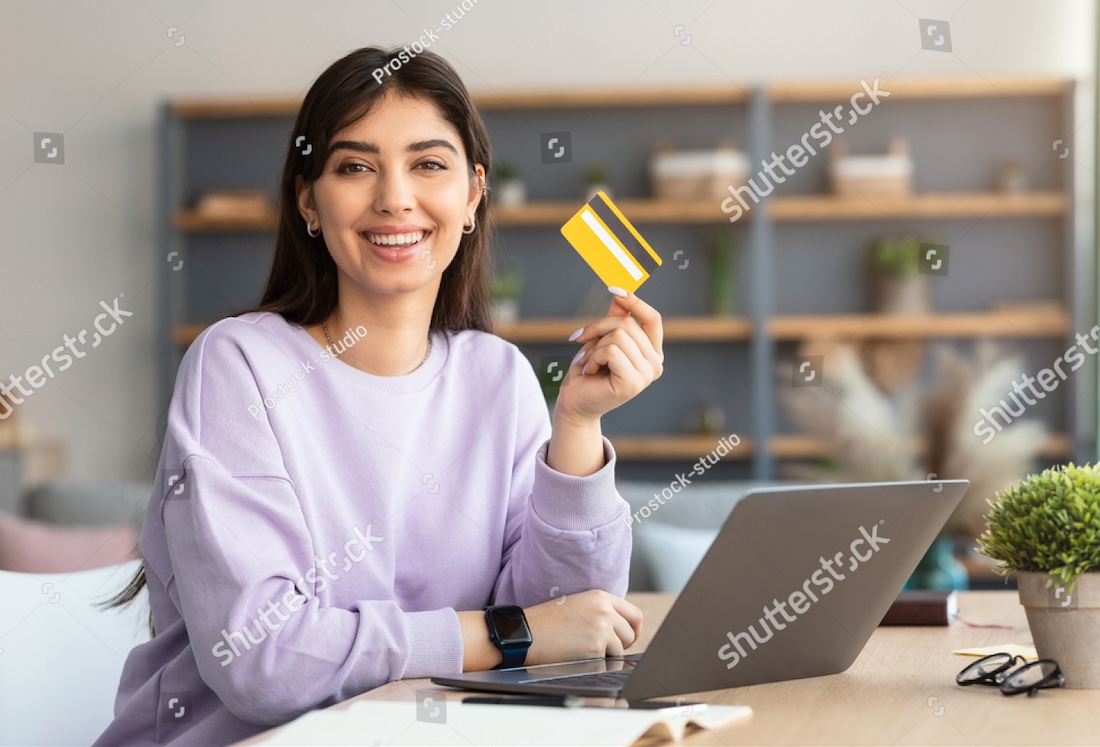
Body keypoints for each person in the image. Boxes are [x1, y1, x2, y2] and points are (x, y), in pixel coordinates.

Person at [94, 45, 664, 746]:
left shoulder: (500, 376)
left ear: (472, 196)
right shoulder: (237, 363)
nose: (394, 197)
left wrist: (577, 424)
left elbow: (570, 633)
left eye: (428, 163)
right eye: (355, 166)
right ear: (308, 199)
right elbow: (262, 661)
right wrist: (505, 633)